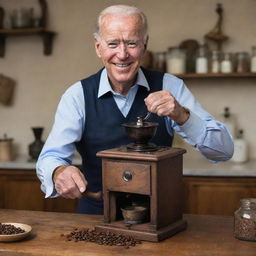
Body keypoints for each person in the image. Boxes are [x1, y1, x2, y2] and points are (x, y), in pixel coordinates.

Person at [36, 5, 234, 215]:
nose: (122, 54)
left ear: (145, 44)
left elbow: (224, 151)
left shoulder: (170, 87)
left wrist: (182, 115)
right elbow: (50, 158)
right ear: (98, 47)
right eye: (112, 44)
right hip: (95, 218)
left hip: (160, 218)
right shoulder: (77, 95)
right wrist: (58, 172)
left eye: (132, 43)